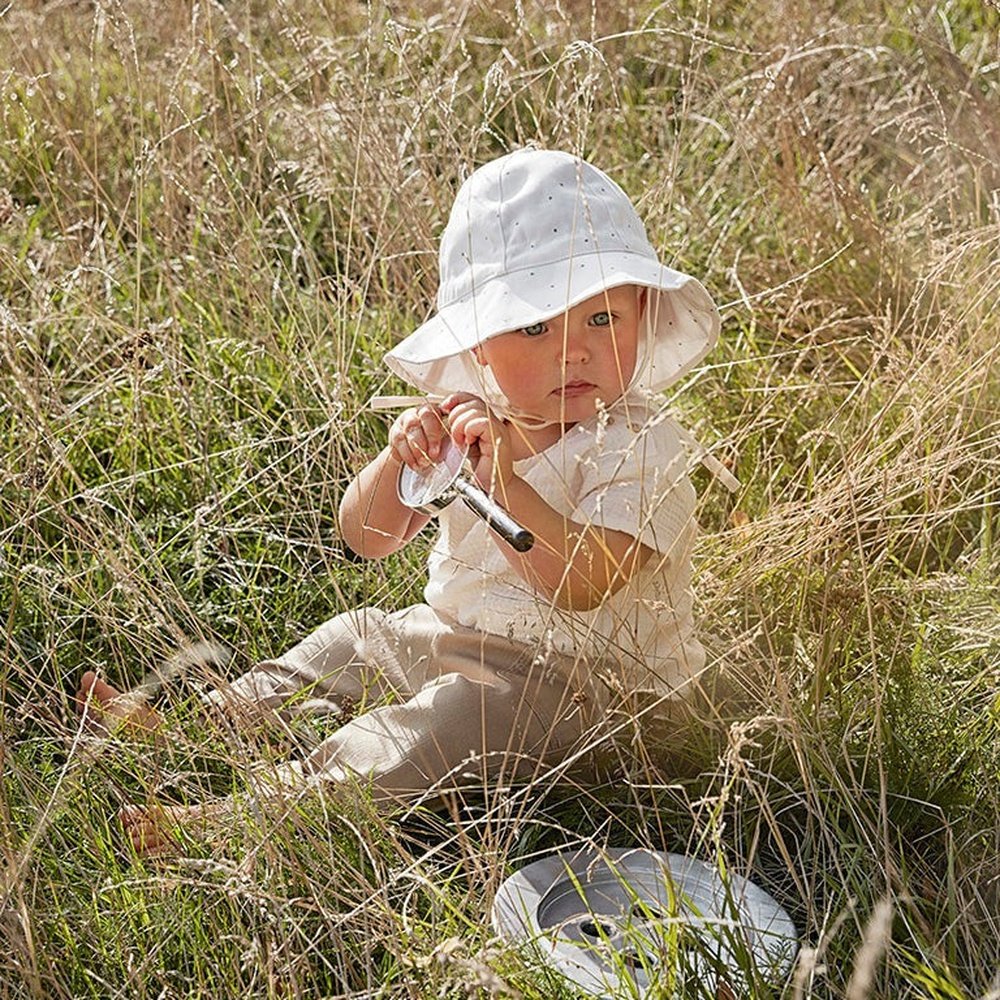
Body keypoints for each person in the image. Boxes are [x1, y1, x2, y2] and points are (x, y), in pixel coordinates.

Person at [75, 147, 721, 854]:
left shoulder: (637, 441)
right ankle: (204, 723)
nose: (576, 351)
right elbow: (366, 536)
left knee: (438, 725)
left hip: (594, 692)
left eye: (603, 318)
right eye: (535, 328)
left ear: (644, 313)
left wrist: (502, 482)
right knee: (352, 635)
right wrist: (398, 461)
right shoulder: (468, 418)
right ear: (478, 342)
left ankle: (247, 821)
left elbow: (588, 580)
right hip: (458, 638)